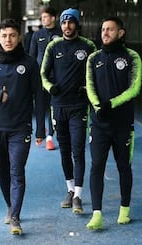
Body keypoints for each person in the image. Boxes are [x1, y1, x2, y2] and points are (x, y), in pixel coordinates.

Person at [0, 19, 41, 235]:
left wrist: (41, 128)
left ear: (19, 37)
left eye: (12, 35)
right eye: (4, 36)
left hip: (21, 128)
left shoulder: (29, 63)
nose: (8, 39)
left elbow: (39, 97)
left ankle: (15, 217)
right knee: (3, 172)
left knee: (17, 171)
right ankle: (10, 205)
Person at [85, 16, 142, 230]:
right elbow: (90, 86)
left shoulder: (132, 57)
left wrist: (111, 104)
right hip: (99, 123)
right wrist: (99, 107)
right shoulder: (93, 58)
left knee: (123, 166)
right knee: (96, 166)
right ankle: (97, 214)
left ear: (121, 33)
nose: (105, 33)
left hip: (123, 124)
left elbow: (134, 88)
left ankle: (124, 211)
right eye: (103, 29)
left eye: (110, 29)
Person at [41, 8, 96, 214]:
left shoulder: (88, 46)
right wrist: (50, 88)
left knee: (78, 149)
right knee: (64, 150)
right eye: (64, 22)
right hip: (58, 106)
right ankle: (70, 190)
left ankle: (79, 196)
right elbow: (43, 73)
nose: (67, 26)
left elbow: (95, 74)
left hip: (79, 107)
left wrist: (87, 90)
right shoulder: (53, 46)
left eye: (71, 22)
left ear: (77, 24)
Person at [30, 7, 62, 150]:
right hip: (40, 77)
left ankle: (50, 137)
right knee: (40, 107)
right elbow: (31, 57)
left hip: (56, 77)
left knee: (53, 107)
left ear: (53, 18)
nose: (43, 20)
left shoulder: (61, 33)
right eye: (42, 17)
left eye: (45, 17)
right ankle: (39, 133)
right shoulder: (37, 35)